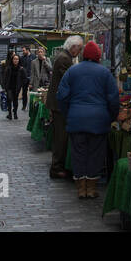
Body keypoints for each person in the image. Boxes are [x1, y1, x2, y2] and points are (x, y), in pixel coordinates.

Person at [57, 41, 120, 199]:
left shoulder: (72, 71)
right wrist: (110, 117)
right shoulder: (105, 73)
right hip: (99, 121)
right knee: (95, 155)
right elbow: (113, 99)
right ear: (98, 56)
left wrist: (68, 114)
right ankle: (91, 189)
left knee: (78, 155)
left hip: (76, 120)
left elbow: (62, 96)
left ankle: (81, 189)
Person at [46, 37, 83, 179]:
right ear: (73, 47)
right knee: (60, 137)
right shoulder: (64, 59)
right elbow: (68, 80)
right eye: (78, 49)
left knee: (61, 136)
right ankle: (56, 168)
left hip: (58, 103)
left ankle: (59, 166)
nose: (79, 52)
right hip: (59, 104)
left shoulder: (65, 57)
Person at [2, 53, 25, 120]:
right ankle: (9, 113)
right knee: (9, 99)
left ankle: (15, 113)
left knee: (15, 100)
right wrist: (4, 86)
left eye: (17, 59)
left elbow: (24, 78)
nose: (16, 60)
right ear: (12, 60)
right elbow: (5, 78)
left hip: (17, 87)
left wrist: (21, 85)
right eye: (14, 59)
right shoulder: (8, 68)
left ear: (19, 60)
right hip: (9, 86)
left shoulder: (21, 69)